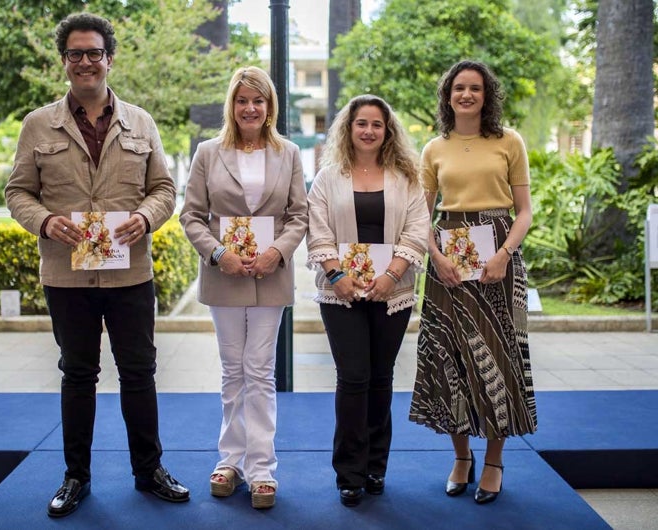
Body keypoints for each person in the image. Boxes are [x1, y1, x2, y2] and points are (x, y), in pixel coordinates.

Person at [5, 13, 189, 518]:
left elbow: (165, 189)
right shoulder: (38, 124)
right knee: (77, 374)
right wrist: (45, 222)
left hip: (130, 274)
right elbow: (17, 191)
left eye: (93, 53)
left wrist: (146, 218)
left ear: (109, 58)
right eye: (75, 54)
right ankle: (75, 477)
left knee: (139, 372)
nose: (85, 62)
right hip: (67, 277)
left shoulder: (141, 122)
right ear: (64, 62)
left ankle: (149, 471)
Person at [408, 60, 537, 505]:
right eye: (459, 88)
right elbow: (419, 215)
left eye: (475, 88)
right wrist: (436, 257)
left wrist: (504, 255)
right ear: (448, 95)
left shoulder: (509, 141)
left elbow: (524, 212)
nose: (466, 95)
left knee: (499, 357)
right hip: (446, 259)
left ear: (487, 95)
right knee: (450, 357)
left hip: (498, 257)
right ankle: (461, 458)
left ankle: (494, 461)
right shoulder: (433, 148)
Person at [179, 66, 308, 509]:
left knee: (260, 371)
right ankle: (230, 460)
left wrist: (279, 252)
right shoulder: (208, 153)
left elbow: (299, 216)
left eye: (259, 100)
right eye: (242, 100)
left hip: (271, 276)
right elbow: (191, 215)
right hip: (225, 276)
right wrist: (218, 254)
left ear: (270, 106)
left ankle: (262, 469)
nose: (250, 108)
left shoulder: (289, 153)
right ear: (231, 106)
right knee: (232, 369)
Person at [306, 94, 430, 507]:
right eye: (361, 123)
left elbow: (417, 230)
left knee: (381, 377)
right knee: (353, 376)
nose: (369, 131)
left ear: (387, 130)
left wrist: (391, 275)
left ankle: (377, 466)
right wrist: (337, 275)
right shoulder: (328, 178)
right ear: (349, 128)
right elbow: (318, 230)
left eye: (377, 124)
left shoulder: (406, 176)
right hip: (339, 293)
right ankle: (349, 473)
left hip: (391, 291)